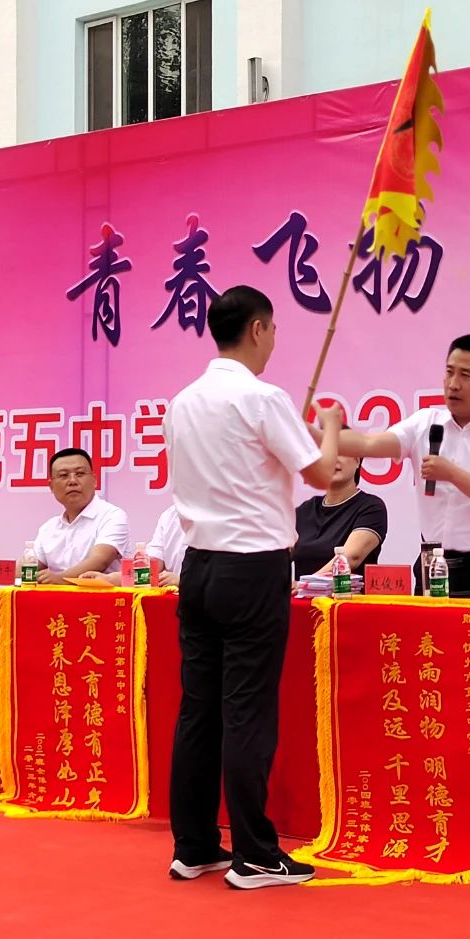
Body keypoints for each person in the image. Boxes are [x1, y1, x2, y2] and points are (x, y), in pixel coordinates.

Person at [165, 284, 341, 889]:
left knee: (199, 710)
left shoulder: (183, 401)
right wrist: (330, 426)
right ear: (259, 329)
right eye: (273, 332)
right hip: (252, 568)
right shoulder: (263, 397)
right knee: (247, 711)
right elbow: (321, 472)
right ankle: (256, 855)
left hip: (199, 566)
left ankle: (193, 845)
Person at [325, 333, 470, 598]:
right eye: (449, 372)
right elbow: (367, 443)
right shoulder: (424, 423)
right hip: (433, 563)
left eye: (465, 375)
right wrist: (321, 434)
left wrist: (452, 474)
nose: (453, 384)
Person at [0, 448, 129, 585]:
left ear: (94, 480)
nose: (72, 481)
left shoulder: (112, 516)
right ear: (51, 486)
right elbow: (28, 568)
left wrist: (60, 579)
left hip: (101, 604)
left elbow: (100, 560)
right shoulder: (49, 528)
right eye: (63, 475)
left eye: (80, 474)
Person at [292, 438, 387, 579]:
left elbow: (352, 557)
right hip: (301, 594)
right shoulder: (304, 511)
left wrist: (307, 585)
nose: (333, 459)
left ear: (357, 461)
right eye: (327, 453)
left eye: (340, 452)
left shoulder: (371, 508)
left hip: (346, 593)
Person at [80, 503, 187, 587]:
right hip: (177, 601)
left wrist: (184, 581)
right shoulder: (169, 515)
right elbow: (152, 565)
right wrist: (110, 579)